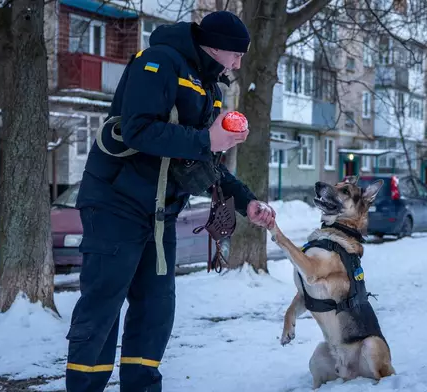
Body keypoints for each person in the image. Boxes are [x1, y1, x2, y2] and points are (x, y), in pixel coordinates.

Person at [65, 11, 275, 392]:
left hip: (161, 215)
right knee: (103, 307)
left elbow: (205, 163)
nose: (239, 63)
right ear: (215, 47)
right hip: (116, 205)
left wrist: (247, 204)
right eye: (236, 54)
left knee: (156, 311)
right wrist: (206, 140)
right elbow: (137, 129)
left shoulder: (210, 89)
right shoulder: (157, 62)